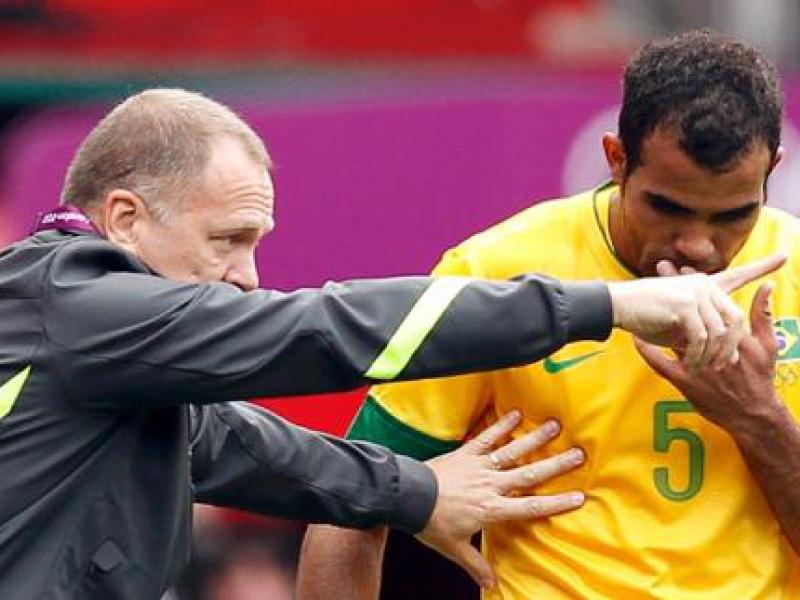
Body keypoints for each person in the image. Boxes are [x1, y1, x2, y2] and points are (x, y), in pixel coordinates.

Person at [0, 87, 777, 600]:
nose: (248, 278)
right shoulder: (76, 302)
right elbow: (318, 331)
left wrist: (420, 493)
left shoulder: (102, 353)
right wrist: (608, 305)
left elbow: (246, 449)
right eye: (227, 240)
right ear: (126, 219)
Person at [298, 29, 800, 600]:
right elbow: (350, 503)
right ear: (617, 159)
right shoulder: (496, 270)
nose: (698, 245)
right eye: (667, 207)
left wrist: (758, 417)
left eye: (734, 215)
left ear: (773, 169)